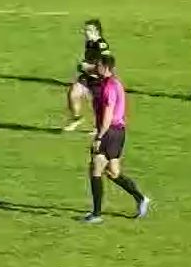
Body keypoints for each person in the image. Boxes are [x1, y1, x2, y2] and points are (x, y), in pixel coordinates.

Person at [82, 55, 150, 223]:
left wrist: (99, 136)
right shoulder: (115, 83)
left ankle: (96, 214)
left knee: (96, 168)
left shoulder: (108, 87)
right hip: (119, 132)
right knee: (113, 172)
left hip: (109, 131)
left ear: (106, 67)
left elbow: (108, 115)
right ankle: (141, 198)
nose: (96, 68)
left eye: (98, 65)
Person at [64, 19, 110, 131]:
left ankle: (99, 127)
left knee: (97, 104)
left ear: (96, 31)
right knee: (73, 92)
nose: (85, 32)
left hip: (99, 79)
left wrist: (88, 67)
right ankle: (76, 118)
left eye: (88, 30)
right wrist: (83, 66)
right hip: (88, 75)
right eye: (85, 29)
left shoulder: (102, 45)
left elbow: (106, 65)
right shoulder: (89, 43)